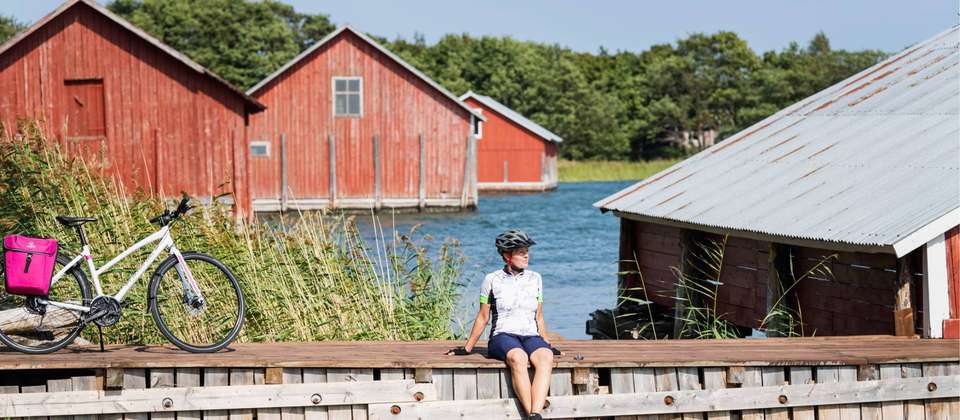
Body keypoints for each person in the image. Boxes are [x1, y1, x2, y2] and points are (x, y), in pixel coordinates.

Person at [447, 229, 556, 420]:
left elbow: (539, 316)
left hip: (530, 335)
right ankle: (532, 415)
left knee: (546, 357)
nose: (526, 255)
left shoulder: (535, 278)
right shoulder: (492, 279)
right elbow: (483, 317)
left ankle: (535, 414)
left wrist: (546, 343)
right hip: (502, 335)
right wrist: (467, 348)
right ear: (507, 255)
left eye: (527, 251)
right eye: (521, 252)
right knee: (518, 357)